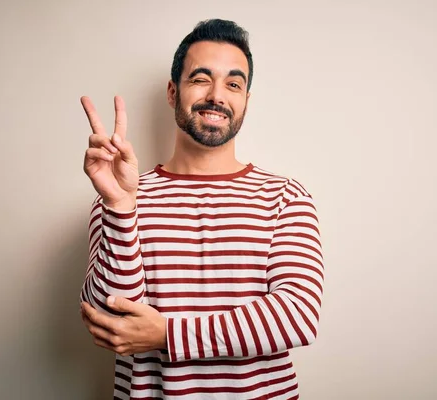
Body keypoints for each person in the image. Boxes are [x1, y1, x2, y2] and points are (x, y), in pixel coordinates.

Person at [79, 19, 324, 400]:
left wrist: (167, 335)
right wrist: (121, 206)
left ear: (246, 99)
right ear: (173, 92)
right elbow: (112, 322)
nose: (217, 96)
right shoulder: (119, 195)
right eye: (200, 79)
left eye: (233, 84)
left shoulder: (285, 197)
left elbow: (297, 317)